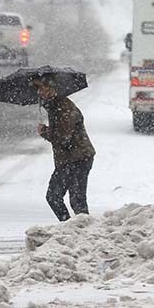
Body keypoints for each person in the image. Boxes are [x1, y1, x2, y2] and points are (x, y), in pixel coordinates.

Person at [34, 76, 95, 222]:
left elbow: (63, 138)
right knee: (76, 200)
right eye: (38, 89)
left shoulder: (64, 108)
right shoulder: (55, 106)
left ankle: (72, 230)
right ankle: (77, 231)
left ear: (53, 88)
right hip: (73, 158)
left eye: (43, 88)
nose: (39, 92)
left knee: (57, 197)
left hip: (76, 158)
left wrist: (44, 132)